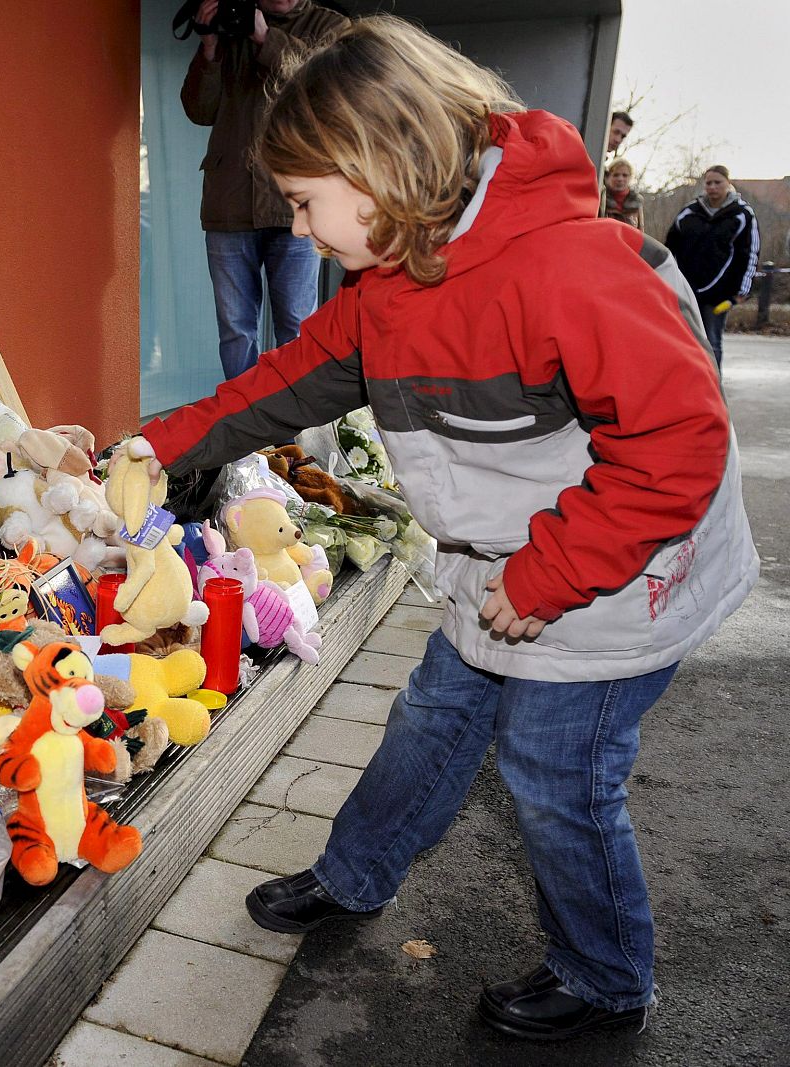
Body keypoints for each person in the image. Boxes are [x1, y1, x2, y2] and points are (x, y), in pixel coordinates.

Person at [135, 16, 757, 1041]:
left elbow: (677, 446)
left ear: (376, 167)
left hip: (614, 570)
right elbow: (286, 380)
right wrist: (147, 444)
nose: (299, 232)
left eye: (304, 202)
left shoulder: (568, 267)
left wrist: (548, 575)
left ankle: (605, 974)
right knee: (433, 715)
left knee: (555, 771)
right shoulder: (387, 283)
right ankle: (356, 872)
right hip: (507, 557)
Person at [181, 0, 348, 380]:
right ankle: (242, 414)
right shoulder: (229, 25)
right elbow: (199, 109)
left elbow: (325, 93)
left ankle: (296, 413)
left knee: (297, 325)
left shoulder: (331, 26)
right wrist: (209, 46)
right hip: (230, 200)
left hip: (297, 207)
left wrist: (265, 37)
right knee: (235, 329)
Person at [664, 165, 760, 366]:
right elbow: (669, 249)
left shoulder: (742, 214)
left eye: (718, 182)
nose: (713, 187)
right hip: (686, 290)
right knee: (683, 340)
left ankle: (713, 382)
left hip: (719, 294)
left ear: (728, 183)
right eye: (709, 183)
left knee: (712, 342)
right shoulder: (689, 212)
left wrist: (742, 290)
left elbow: (750, 254)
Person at [598, 158, 642, 228]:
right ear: (608, 177)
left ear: (631, 177)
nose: (620, 179)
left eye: (625, 175)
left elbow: (640, 229)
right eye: (616, 175)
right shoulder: (600, 199)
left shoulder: (637, 201)